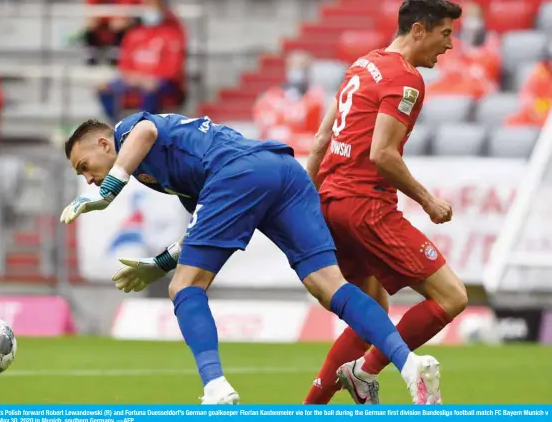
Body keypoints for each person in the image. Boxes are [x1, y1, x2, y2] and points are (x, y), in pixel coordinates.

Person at [61, 113, 442, 404]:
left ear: (103, 143)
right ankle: (410, 365)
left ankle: (215, 386)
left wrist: (109, 191)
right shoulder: (160, 175)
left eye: (84, 167)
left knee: (185, 288)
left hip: (236, 172)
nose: (88, 179)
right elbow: (201, 229)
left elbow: (145, 132)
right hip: (281, 171)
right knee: (329, 287)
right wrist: (159, 263)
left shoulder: (128, 130)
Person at [304, 0, 466, 405]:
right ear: (418, 30)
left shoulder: (362, 64)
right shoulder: (406, 78)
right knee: (452, 297)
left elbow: (323, 138)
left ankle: (307, 410)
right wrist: (429, 201)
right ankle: (365, 371)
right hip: (364, 205)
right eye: (445, 34)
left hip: (329, 203)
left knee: (369, 314)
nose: (449, 45)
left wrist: (304, 201)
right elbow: (382, 154)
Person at [253, 51, 326, 156]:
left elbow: (320, 134)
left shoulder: (317, 97)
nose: (301, 72)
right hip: (278, 153)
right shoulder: (270, 98)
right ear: (288, 69)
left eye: (305, 68)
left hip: (307, 153)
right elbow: (268, 132)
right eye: (297, 67)